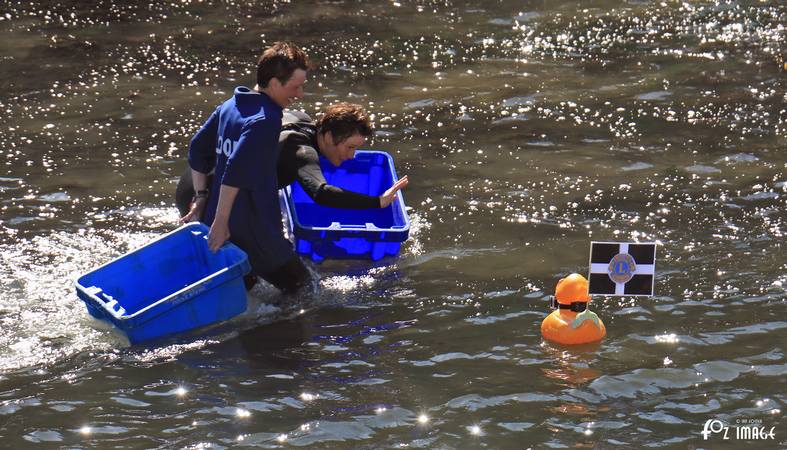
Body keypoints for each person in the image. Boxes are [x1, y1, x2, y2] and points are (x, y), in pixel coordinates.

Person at [182, 41, 311, 294]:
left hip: (221, 222)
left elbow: (198, 150)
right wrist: (221, 223)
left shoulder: (232, 104)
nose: (300, 94)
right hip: (253, 230)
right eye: (296, 87)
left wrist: (201, 199)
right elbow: (235, 170)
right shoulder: (266, 119)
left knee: (245, 291)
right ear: (274, 83)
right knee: (306, 290)